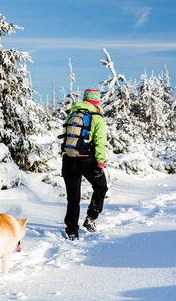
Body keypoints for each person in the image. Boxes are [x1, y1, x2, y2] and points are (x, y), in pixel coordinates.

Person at [60, 89, 108, 240]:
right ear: (96, 102)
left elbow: (65, 139)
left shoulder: (71, 115)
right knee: (101, 187)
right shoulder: (96, 117)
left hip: (69, 160)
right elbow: (100, 142)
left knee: (73, 198)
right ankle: (91, 218)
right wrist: (100, 163)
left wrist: (65, 158)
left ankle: (72, 230)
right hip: (87, 160)